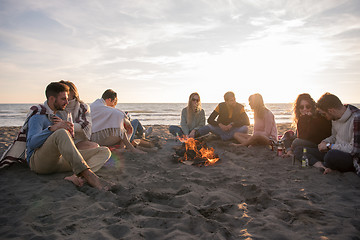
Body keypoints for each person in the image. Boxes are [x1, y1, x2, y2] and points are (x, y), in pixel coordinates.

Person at [26, 82, 111, 189]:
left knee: (104, 151)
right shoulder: (39, 115)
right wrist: (52, 129)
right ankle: (90, 176)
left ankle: (76, 177)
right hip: (39, 163)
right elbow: (32, 143)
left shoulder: (58, 115)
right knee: (61, 132)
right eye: (63, 99)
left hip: (58, 161)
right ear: (52, 99)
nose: (67, 102)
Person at [282, 94, 332, 170]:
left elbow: (305, 137)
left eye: (308, 106)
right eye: (301, 107)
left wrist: (308, 120)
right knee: (288, 135)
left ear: (312, 106)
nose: (304, 109)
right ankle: (289, 152)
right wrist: (304, 120)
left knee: (297, 144)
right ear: (298, 109)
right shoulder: (302, 118)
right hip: (306, 145)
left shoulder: (319, 117)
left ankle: (320, 165)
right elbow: (301, 135)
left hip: (319, 147)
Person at [316, 93, 360, 175]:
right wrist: (324, 142)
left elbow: (354, 151)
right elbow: (334, 136)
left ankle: (326, 165)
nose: (324, 116)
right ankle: (326, 166)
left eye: (324, 114)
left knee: (330, 155)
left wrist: (329, 146)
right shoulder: (335, 118)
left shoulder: (356, 118)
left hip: (352, 159)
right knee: (304, 148)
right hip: (336, 150)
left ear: (331, 111)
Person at [90, 89, 144, 153]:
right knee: (135, 122)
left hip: (95, 137)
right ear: (109, 100)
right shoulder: (108, 110)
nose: (113, 103)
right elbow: (120, 115)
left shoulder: (94, 105)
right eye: (114, 101)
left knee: (128, 124)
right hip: (104, 140)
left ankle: (142, 133)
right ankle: (142, 134)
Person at [59, 80, 99, 150]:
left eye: (67, 91)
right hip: (59, 140)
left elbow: (86, 125)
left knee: (95, 146)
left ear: (73, 93)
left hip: (77, 141)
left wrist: (67, 125)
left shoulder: (83, 107)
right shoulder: (55, 106)